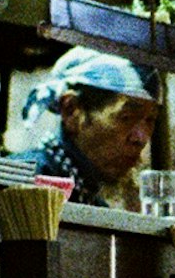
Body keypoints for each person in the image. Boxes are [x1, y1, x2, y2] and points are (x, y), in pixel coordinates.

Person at [13, 46, 161, 206]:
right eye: (126, 117)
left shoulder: (91, 201)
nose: (141, 138)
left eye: (150, 120)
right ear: (71, 111)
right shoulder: (22, 184)